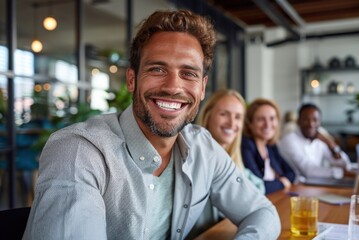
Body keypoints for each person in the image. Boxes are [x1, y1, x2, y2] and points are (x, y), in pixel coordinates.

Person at [23, 10, 280, 240]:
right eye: (157, 69)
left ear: (202, 88)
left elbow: (262, 212)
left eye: (188, 73)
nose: (173, 87)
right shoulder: (80, 153)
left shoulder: (202, 146)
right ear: (132, 80)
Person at [188, 89, 266, 238]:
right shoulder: (195, 153)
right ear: (208, 115)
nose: (232, 123)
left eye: (238, 117)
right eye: (224, 114)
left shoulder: (231, 156)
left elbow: (256, 186)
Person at [277, 103, 350, 178]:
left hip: (314, 184)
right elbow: (308, 171)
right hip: (295, 186)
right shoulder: (289, 140)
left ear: (319, 122)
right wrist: (341, 173)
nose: (311, 124)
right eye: (306, 119)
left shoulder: (319, 140)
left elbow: (345, 165)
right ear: (298, 121)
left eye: (315, 120)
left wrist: (332, 146)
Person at [241, 98, 295, 194]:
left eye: (272, 118)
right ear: (250, 123)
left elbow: (291, 174)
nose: (267, 124)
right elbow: (258, 186)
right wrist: (281, 182)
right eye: (261, 119)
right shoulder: (246, 146)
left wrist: (278, 182)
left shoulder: (270, 146)